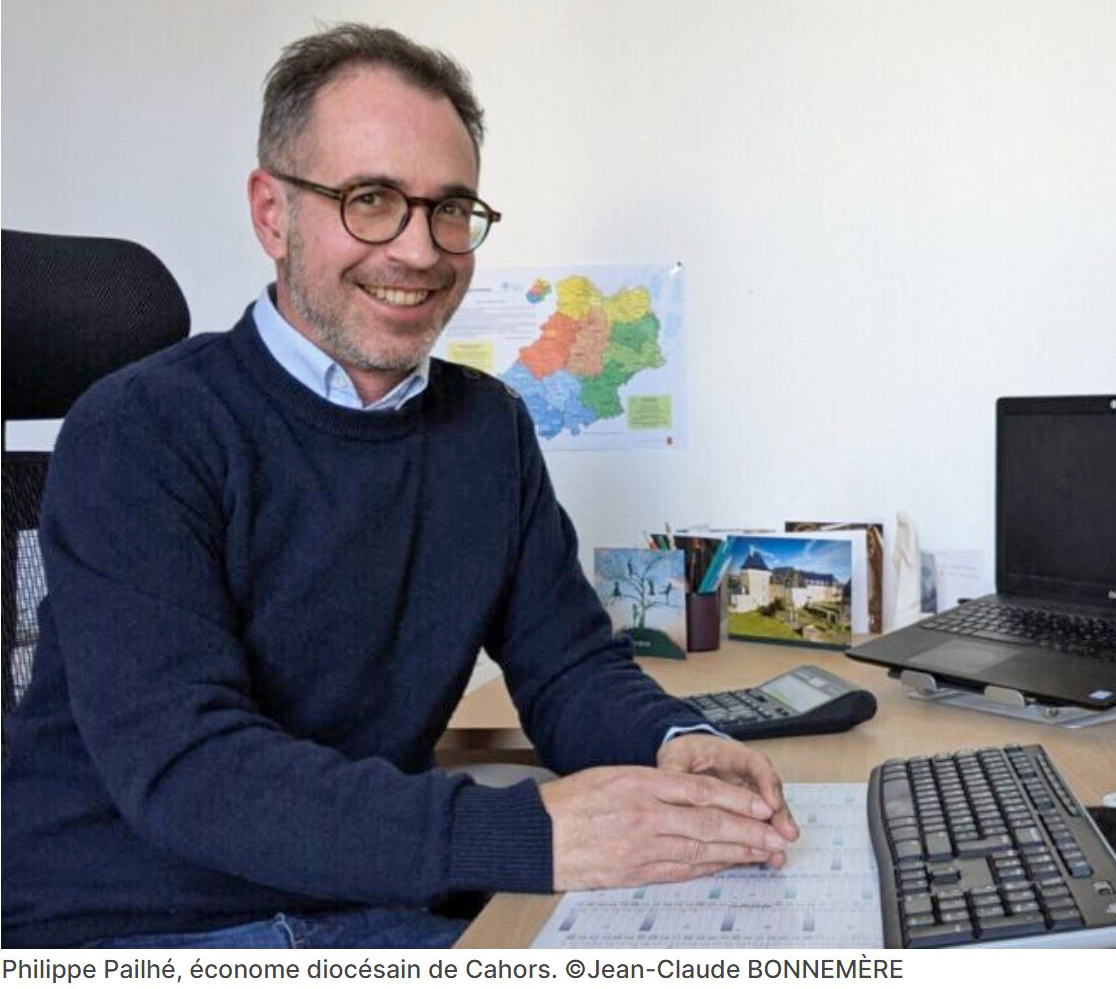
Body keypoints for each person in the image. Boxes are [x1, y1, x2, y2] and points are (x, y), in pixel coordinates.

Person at [1, 24, 797, 949]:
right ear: (271, 213)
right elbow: (191, 768)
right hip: (136, 926)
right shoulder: (140, 429)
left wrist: (672, 742)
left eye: (449, 208)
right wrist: (528, 831)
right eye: (370, 199)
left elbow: (567, 666)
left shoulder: (487, 428)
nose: (420, 251)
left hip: (358, 895)